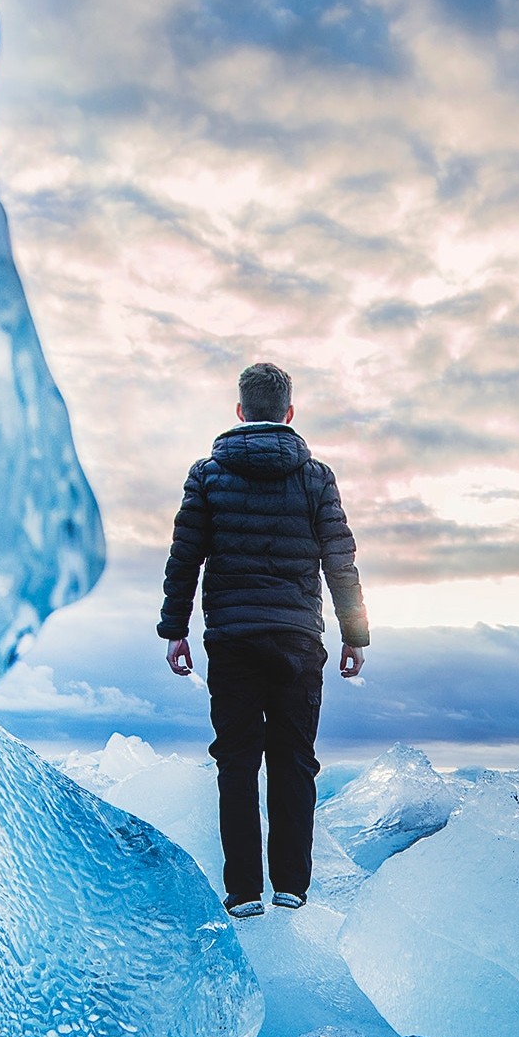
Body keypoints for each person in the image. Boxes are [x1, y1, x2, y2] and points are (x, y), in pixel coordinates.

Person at [158, 361, 370, 919]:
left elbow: (186, 559)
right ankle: (291, 888)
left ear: (240, 411)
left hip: (231, 639)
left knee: (236, 762)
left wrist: (174, 629)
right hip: (299, 639)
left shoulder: (207, 475)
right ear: (289, 413)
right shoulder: (316, 477)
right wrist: (355, 634)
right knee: (294, 760)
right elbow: (339, 560)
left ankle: (244, 891)